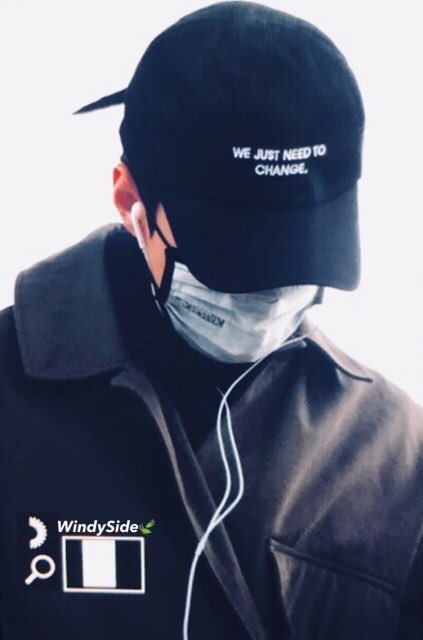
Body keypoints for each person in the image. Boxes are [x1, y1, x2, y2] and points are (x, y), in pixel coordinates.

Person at [1, 2, 423, 639]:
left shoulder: (394, 454)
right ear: (130, 201)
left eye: (298, 259)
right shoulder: (10, 404)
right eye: (236, 259)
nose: (270, 296)